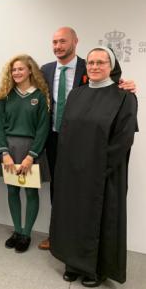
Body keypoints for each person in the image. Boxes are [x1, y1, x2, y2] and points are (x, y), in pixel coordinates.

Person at [38, 26, 135, 250]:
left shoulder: (88, 65)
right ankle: (58, 234)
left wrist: (128, 85)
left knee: (84, 191)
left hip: (85, 142)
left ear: (75, 42)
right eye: (54, 42)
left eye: (63, 41)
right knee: (59, 188)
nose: (57, 47)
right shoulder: (45, 70)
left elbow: (110, 87)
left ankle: (83, 238)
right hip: (53, 138)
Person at [50, 47, 137, 287]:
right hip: (73, 171)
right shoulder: (76, 94)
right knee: (72, 216)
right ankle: (72, 262)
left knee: (100, 218)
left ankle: (95, 270)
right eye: (91, 62)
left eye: (101, 62)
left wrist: (100, 167)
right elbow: (66, 133)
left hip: (103, 173)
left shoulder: (124, 97)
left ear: (111, 66)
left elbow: (124, 138)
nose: (95, 66)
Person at [0, 54, 50, 253]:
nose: (16, 72)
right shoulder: (5, 96)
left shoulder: (40, 96)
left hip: (31, 151)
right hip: (9, 150)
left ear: (30, 71)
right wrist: (4, 153)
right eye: (13, 69)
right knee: (12, 190)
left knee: (30, 191)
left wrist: (31, 155)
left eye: (20, 69)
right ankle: (17, 230)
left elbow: (43, 128)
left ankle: (26, 233)